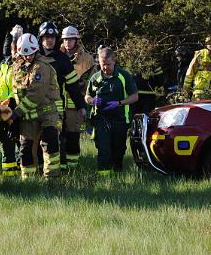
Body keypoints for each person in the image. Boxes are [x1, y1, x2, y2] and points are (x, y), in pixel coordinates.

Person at [10, 33, 61, 178]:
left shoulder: (42, 67)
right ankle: (28, 181)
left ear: (36, 50)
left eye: (31, 54)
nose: (28, 57)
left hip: (47, 113)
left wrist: (16, 113)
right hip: (27, 115)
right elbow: (16, 90)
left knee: (49, 145)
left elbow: (36, 95)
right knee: (25, 149)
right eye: (25, 55)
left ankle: (51, 180)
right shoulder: (18, 67)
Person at [37, 21, 85, 171]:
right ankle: (37, 170)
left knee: (56, 140)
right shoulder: (33, 56)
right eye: (46, 36)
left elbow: (72, 85)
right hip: (34, 106)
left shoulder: (62, 59)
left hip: (55, 108)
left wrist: (81, 106)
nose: (49, 40)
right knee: (35, 139)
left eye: (52, 37)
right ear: (41, 38)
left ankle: (57, 172)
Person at [85, 47, 139, 175]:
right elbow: (87, 96)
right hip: (101, 118)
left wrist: (119, 103)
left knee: (118, 150)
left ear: (114, 61)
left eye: (108, 65)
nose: (105, 68)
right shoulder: (95, 78)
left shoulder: (123, 76)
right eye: (102, 65)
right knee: (104, 150)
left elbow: (135, 97)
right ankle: (104, 179)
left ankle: (117, 174)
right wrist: (93, 100)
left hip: (120, 118)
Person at [59, 26, 95, 170]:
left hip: (76, 105)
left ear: (77, 40)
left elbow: (93, 80)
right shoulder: (56, 55)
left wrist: (83, 84)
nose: (68, 42)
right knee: (59, 138)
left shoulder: (87, 59)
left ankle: (72, 169)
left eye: (70, 39)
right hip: (59, 104)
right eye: (65, 39)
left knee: (73, 138)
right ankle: (61, 168)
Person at [0, 37, 20, 177]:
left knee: (18, 139)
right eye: (13, 49)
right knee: (5, 139)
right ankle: (8, 175)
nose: (15, 53)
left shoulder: (24, 65)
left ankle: (19, 170)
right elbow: (0, 85)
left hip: (17, 107)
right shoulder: (3, 64)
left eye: (18, 50)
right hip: (4, 108)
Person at [182, 35, 211, 100]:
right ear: (205, 44)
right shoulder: (200, 54)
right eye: (209, 43)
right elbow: (190, 73)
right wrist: (185, 91)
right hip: (199, 93)